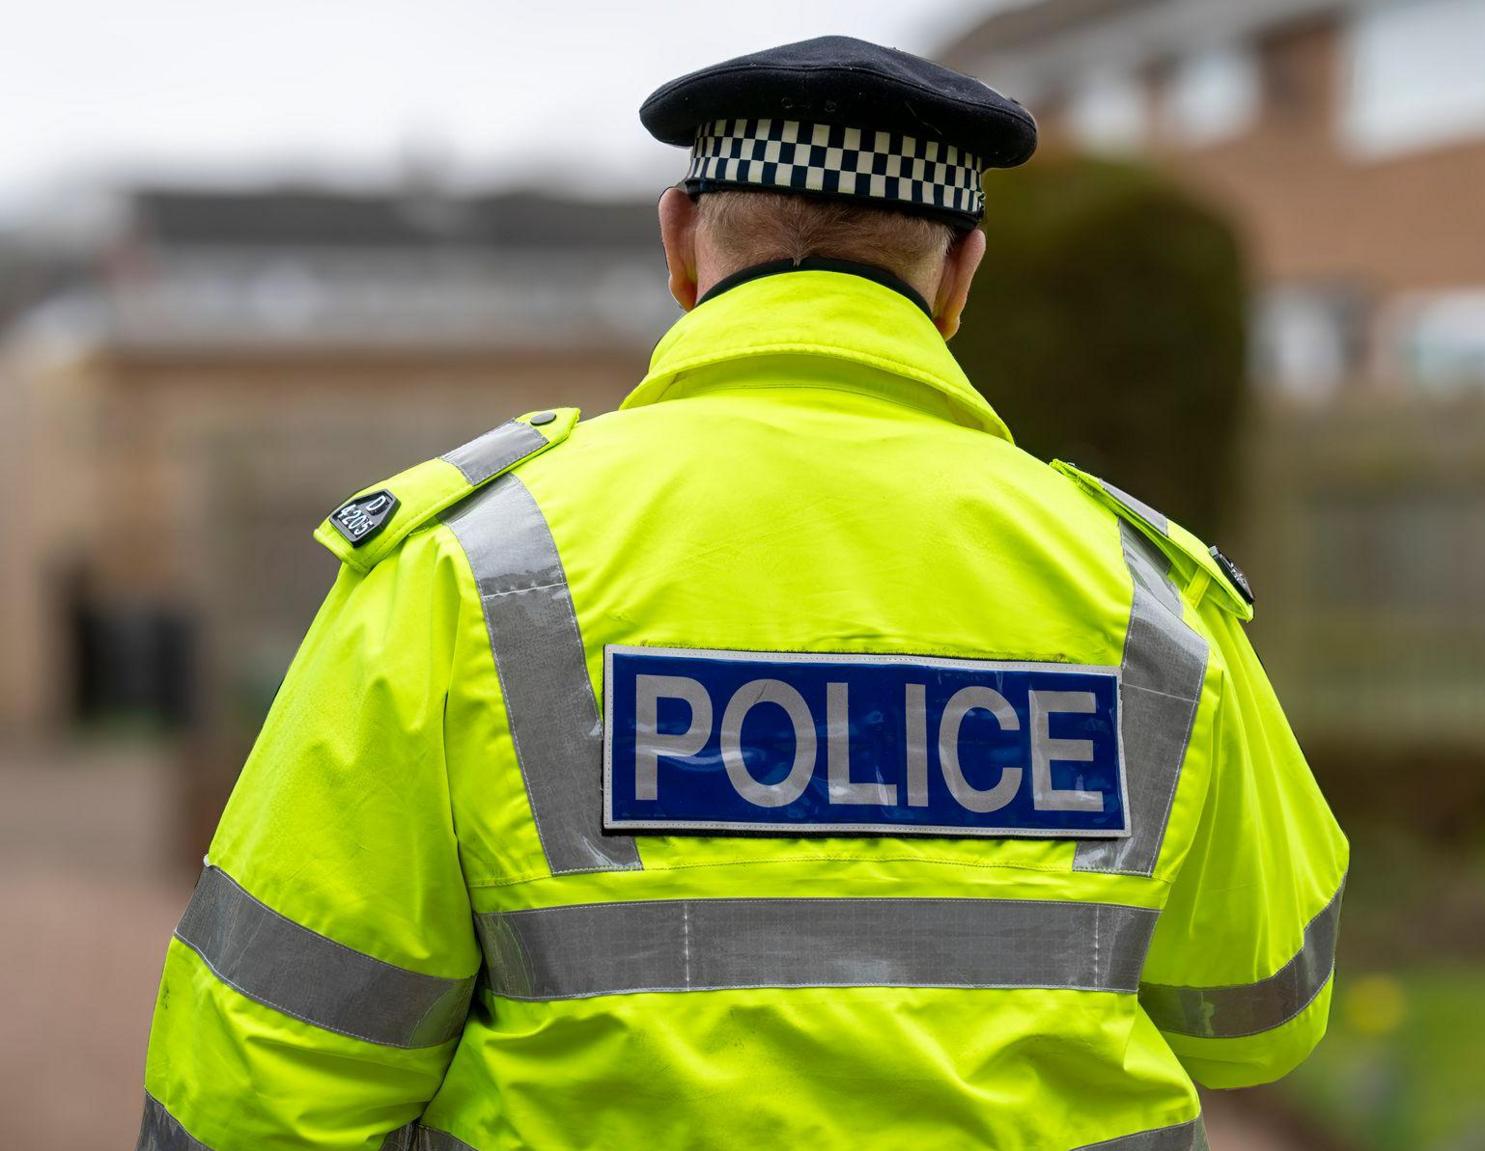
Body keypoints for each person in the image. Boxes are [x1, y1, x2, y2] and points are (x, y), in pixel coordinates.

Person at [136, 35, 1347, 1151]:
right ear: (961, 271)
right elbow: (1257, 1011)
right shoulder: (1143, 594)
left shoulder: (472, 567)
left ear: (678, 239)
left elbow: (263, 1075)